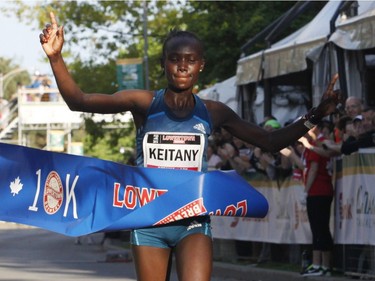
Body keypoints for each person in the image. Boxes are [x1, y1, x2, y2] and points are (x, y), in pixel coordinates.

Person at [40, 12, 340, 281]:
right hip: (149, 221)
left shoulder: (214, 111)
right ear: (163, 64)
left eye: (190, 60)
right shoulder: (143, 103)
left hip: (192, 221)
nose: (182, 66)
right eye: (175, 59)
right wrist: (56, 58)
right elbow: (79, 101)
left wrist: (314, 115)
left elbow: (271, 141)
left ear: (201, 66)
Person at [300, 123, 334, 277]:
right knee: (320, 228)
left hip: (318, 190)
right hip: (321, 190)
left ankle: (320, 264)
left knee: (319, 228)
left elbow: (313, 169)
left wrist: (306, 191)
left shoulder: (316, 144)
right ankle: (321, 264)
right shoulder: (319, 143)